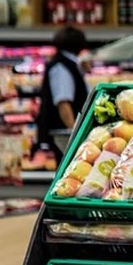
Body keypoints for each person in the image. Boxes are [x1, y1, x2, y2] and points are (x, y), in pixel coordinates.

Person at [35, 26, 89, 167]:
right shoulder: (61, 66)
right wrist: (75, 134)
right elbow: (63, 102)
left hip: (64, 133)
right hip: (62, 136)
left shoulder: (69, 64)